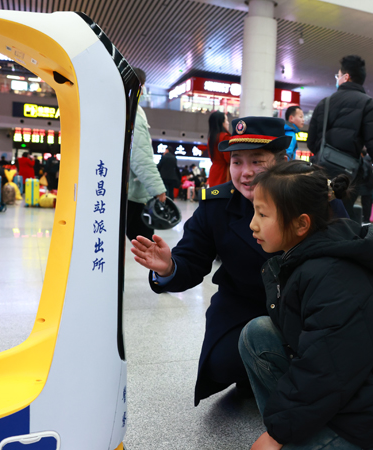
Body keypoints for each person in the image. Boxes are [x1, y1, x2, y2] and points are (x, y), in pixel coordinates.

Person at [131, 117, 346, 407]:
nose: (246, 173)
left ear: (282, 160)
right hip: (244, 307)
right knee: (223, 363)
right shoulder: (217, 207)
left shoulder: (316, 199)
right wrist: (169, 267)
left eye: (257, 161)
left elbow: (346, 259)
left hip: (308, 309)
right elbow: (191, 259)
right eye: (236, 162)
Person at [241, 160, 373, 450]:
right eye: (255, 211)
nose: (253, 223)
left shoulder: (332, 275)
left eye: (263, 214)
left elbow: (325, 369)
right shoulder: (305, 257)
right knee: (256, 335)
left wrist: (276, 436)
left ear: (302, 224)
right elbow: (317, 356)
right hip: (351, 387)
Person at [307, 55, 373, 219]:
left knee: (321, 215)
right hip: (349, 177)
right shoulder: (369, 105)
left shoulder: (325, 103)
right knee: (343, 217)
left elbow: (311, 142)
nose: (337, 79)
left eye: (338, 75)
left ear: (346, 77)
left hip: (321, 171)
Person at [126, 67, 168, 242]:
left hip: (118, 189)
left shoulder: (119, 108)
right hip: (132, 193)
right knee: (147, 245)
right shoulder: (134, 112)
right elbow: (140, 157)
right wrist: (158, 189)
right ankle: (159, 271)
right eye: (141, 86)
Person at [207, 111, 231, 187]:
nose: (228, 123)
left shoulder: (211, 138)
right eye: (226, 120)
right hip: (224, 172)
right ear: (221, 123)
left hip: (214, 171)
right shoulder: (225, 137)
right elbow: (229, 159)